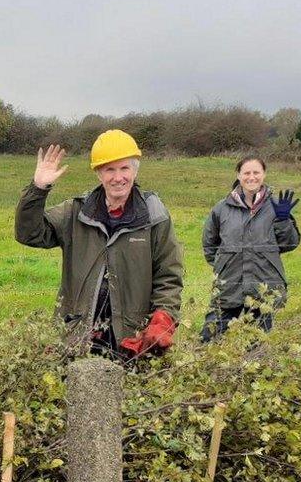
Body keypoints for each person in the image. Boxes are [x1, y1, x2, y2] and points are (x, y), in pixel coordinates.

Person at [14, 130, 184, 361]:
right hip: (77, 335)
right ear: (98, 174)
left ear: (135, 170)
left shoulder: (155, 216)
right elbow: (29, 234)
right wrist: (38, 189)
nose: (118, 177)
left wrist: (161, 321)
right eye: (109, 169)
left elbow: (169, 277)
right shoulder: (76, 212)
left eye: (124, 168)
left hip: (130, 338)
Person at [200, 156, 301, 341]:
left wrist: (283, 220)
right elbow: (209, 244)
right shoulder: (221, 209)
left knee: (256, 346)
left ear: (264, 175)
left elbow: (290, 243)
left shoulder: (276, 208)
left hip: (263, 287)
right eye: (247, 172)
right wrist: (223, 265)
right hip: (229, 286)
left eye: (256, 172)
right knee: (210, 337)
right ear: (238, 175)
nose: (251, 177)